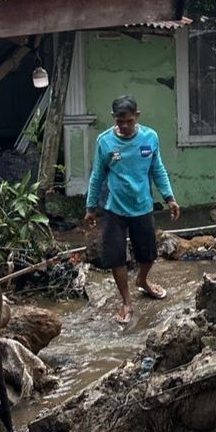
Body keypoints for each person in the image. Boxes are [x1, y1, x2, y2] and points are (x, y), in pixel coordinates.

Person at [85, 95, 181, 326]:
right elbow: (97, 175)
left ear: (137, 116)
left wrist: (170, 198)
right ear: (114, 119)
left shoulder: (150, 137)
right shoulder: (104, 141)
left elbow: (158, 169)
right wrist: (90, 207)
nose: (125, 126)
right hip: (113, 209)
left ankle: (142, 280)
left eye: (128, 121)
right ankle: (127, 302)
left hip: (142, 206)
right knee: (116, 256)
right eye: (120, 122)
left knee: (148, 254)